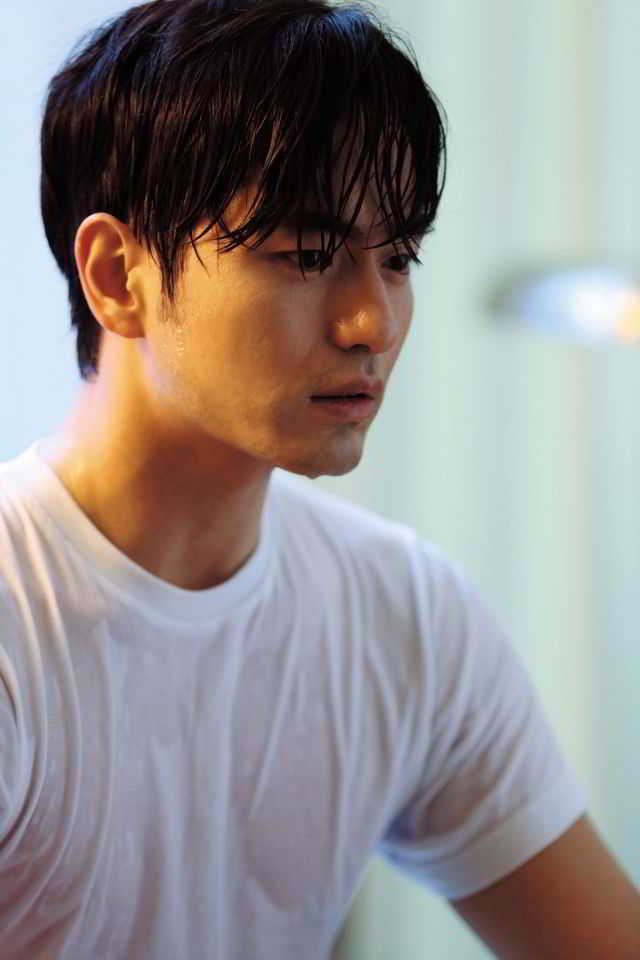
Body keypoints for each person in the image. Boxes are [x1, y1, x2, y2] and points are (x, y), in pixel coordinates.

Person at [1, 0, 638, 956]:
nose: (372, 322)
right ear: (117, 275)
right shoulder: (18, 617)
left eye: (399, 257)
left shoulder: (403, 614)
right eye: (308, 255)